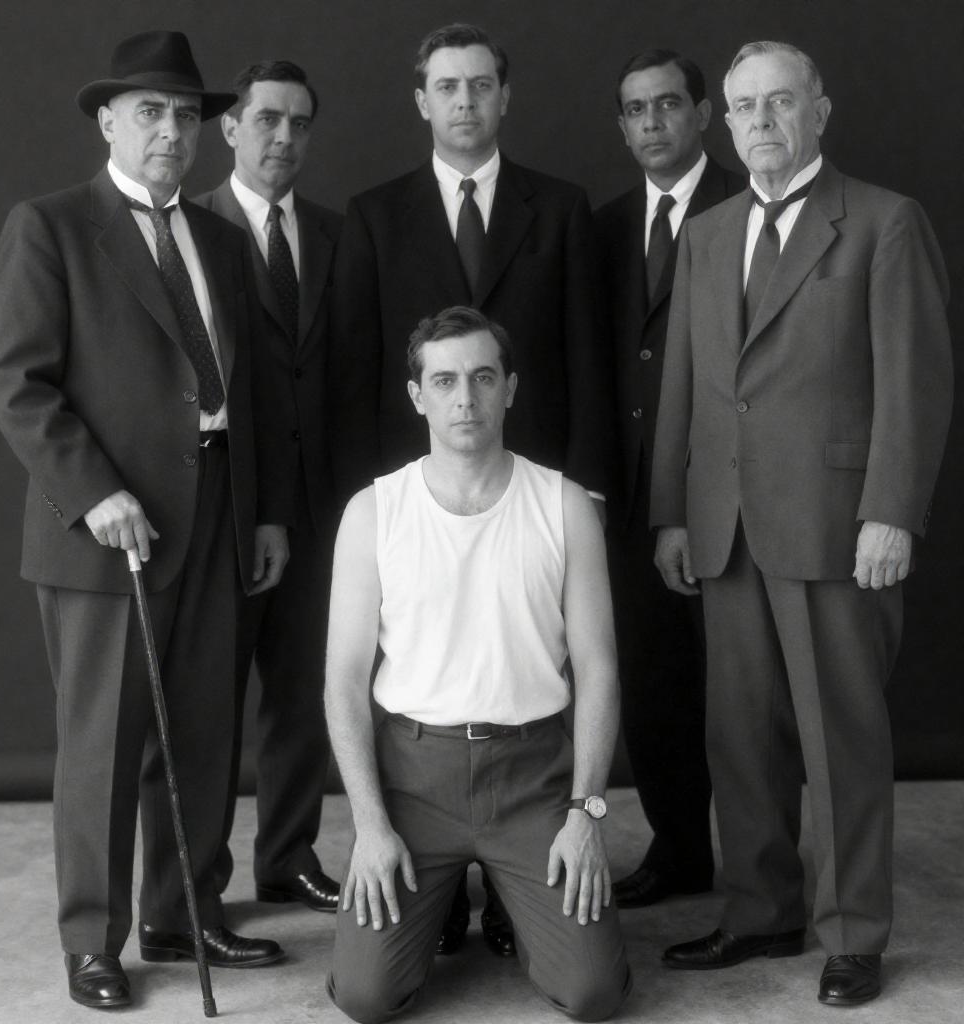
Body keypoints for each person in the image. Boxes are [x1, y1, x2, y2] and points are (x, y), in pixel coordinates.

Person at [0, 31, 292, 1010]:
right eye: (151, 112)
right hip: (108, 529)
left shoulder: (221, 242)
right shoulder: (51, 226)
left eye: (186, 116)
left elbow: (251, 392)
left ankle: (183, 911)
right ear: (109, 122)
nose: (171, 131)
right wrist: (95, 492)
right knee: (104, 747)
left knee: (202, 732)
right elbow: (18, 383)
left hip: (218, 511)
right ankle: (92, 940)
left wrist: (264, 513)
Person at [650, 40, 952, 1005]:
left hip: (836, 529)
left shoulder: (884, 222)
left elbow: (916, 384)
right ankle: (761, 911)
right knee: (739, 737)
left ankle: (854, 932)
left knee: (841, 741)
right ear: (726, 123)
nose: (761, 121)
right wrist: (670, 513)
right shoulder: (708, 233)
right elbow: (686, 387)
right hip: (725, 525)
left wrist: (891, 514)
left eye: (781, 102)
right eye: (744, 107)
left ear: (819, 111)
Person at [329, 19, 613, 957]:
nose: (464, 101)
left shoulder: (559, 207)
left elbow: (587, 357)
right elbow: (362, 371)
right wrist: (374, 508)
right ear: (422, 101)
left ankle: (521, 895)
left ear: (504, 97)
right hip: (422, 501)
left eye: (480, 85)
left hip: (534, 499)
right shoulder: (375, 214)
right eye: (447, 86)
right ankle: (441, 891)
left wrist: (588, 489)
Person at [324, 306, 629, 1023]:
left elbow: (599, 670)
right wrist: (370, 825)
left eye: (484, 378)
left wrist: (586, 813)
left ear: (510, 389)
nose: (466, 398)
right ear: (417, 395)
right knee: (366, 997)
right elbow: (342, 683)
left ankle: (515, 899)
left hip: (533, 777)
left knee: (593, 994)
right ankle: (439, 903)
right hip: (413, 779)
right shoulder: (373, 512)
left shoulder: (564, 506)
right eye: (445, 381)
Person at [594, 49, 744, 909]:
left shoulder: (747, 205)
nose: (652, 122)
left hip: (728, 497)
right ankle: (680, 850)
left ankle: (761, 869)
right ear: (622, 126)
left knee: (741, 696)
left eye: (668, 104)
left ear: (702, 114)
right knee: (653, 688)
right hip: (629, 502)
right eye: (635, 109)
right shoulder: (605, 227)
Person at [196, 59, 343, 913]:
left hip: (322, 511)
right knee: (212, 707)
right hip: (228, 513)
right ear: (230, 127)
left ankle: (288, 857)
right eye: (267, 119)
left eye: (300, 123)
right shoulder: (190, 229)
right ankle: (197, 889)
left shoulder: (335, 234)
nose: (284, 137)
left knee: (303, 698)